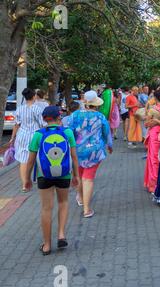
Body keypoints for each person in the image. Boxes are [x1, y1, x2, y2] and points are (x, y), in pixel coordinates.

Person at [24, 106, 79, 255]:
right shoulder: (67, 132)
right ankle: (61, 234)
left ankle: (47, 245)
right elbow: (74, 157)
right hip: (64, 175)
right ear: (59, 117)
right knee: (63, 202)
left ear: (44, 119)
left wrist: (27, 179)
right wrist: (76, 175)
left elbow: (30, 161)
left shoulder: (38, 135)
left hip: (44, 176)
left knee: (46, 208)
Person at [67, 90, 113, 218]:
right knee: (88, 178)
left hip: (77, 151)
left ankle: (81, 198)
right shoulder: (100, 117)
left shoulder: (74, 115)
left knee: (80, 175)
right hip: (95, 151)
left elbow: (69, 133)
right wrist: (109, 145)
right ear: (96, 104)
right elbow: (106, 133)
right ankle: (87, 209)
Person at [9, 88, 46, 192]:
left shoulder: (19, 109)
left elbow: (16, 125)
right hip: (35, 136)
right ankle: (37, 179)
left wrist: (12, 137)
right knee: (37, 158)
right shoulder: (37, 109)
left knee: (23, 161)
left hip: (22, 136)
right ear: (34, 96)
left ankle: (25, 185)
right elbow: (43, 124)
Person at [143, 89, 160, 193]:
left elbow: (146, 123)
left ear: (155, 98)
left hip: (154, 134)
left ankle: (154, 184)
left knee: (153, 159)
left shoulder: (153, 110)